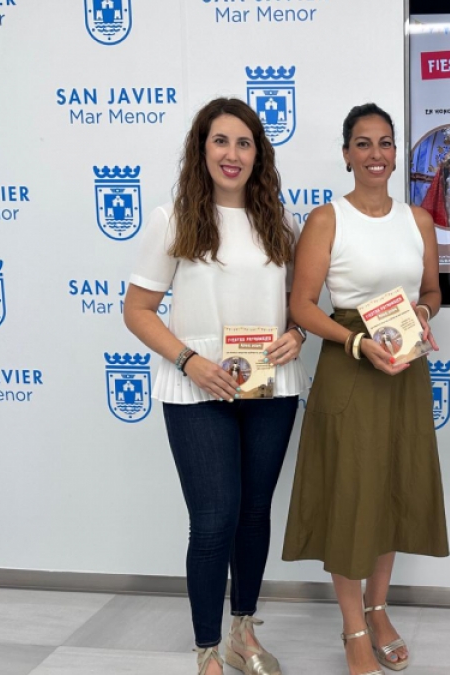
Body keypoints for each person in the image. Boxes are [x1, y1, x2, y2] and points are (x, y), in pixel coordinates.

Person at [123, 97, 306, 675]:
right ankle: (207, 652)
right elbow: (137, 310)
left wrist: (297, 333)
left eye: (244, 143)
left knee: (253, 513)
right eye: (220, 141)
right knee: (213, 520)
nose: (232, 154)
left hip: (270, 386)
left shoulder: (282, 223)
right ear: (201, 149)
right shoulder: (174, 219)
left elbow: (299, 306)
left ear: (259, 154)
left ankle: (241, 634)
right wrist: (189, 361)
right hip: (197, 389)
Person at [282, 103, 449, 675]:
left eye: (385, 143)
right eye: (363, 143)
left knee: (392, 488)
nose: (375, 154)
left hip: (404, 365)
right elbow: (302, 305)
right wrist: (356, 342)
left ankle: (378, 610)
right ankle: (353, 627)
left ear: (396, 153)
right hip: (351, 364)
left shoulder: (418, 219)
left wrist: (423, 314)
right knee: (351, 492)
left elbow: (432, 291)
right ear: (346, 154)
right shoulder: (327, 219)